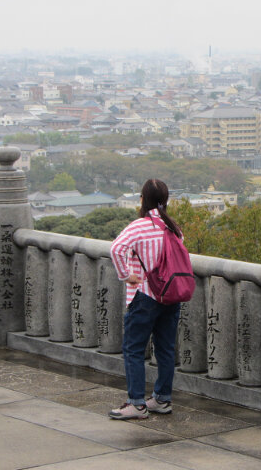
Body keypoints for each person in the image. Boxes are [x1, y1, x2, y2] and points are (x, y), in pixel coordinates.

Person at [108, 178, 183, 420]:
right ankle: (162, 399)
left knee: (133, 349)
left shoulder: (139, 226)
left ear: (143, 199)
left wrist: (126, 275)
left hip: (144, 296)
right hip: (171, 296)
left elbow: (116, 249)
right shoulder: (173, 228)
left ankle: (137, 402)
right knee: (165, 350)